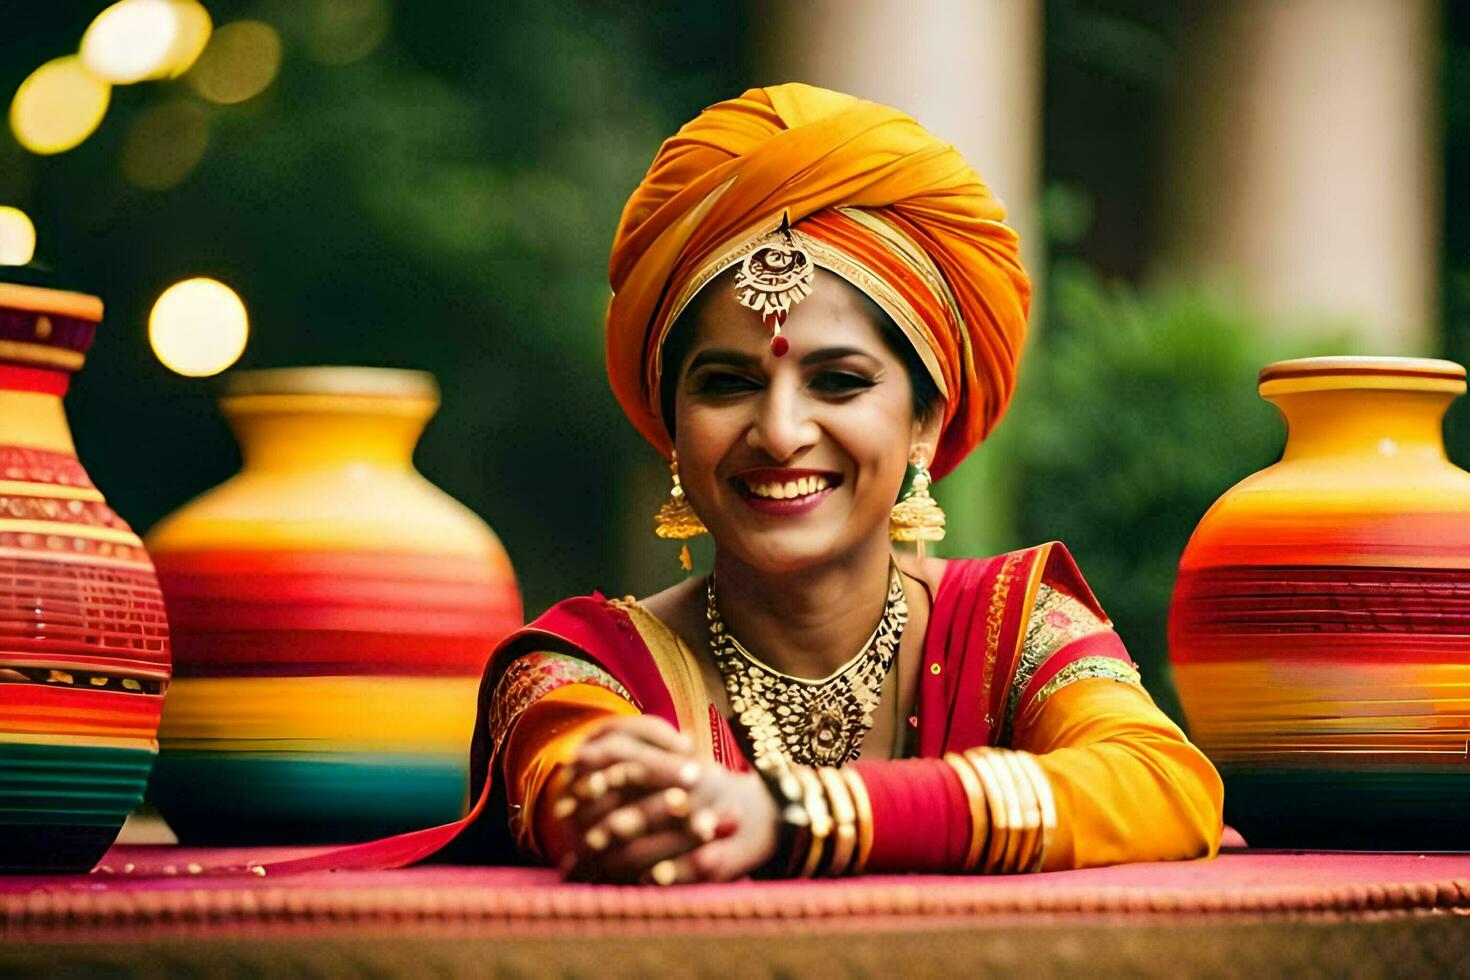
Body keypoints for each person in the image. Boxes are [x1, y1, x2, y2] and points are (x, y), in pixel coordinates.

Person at [311, 83, 1221, 884]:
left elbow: (1161, 783)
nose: (781, 432)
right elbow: (579, 786)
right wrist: (612, 804)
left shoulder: (1013, 626)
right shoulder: (583, 666)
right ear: (670, 422)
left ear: (926, 422)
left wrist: (798, 819)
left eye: (839, 381)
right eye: (729, 383)